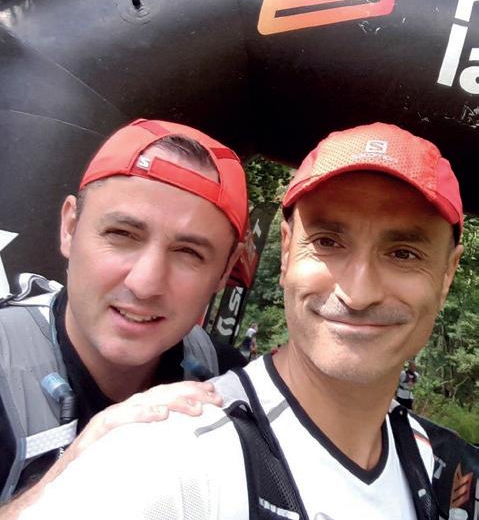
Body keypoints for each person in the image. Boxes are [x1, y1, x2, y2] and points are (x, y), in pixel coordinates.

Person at [16, 122, 467, 520]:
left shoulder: (433, 461)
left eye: (403, 253)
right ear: (286, 252)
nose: (359, 292)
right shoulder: (166, 457)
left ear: (448, 273)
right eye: (328, 242)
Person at [0, 118, 249, 516]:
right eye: (122, 235)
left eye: (189, 253)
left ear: (224, 271)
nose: (146, 283)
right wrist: (66, 477)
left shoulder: (226, 379)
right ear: (70, 227)